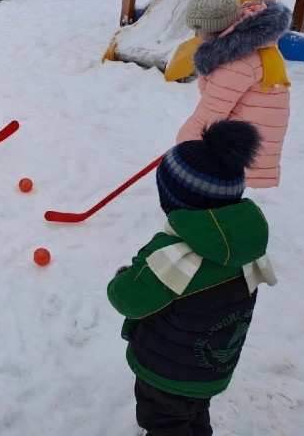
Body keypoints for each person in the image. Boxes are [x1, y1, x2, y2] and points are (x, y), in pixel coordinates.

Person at [107, 119, 277, 436]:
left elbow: (127, 298)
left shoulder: (173, 257)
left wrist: (124, 276)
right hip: (210, 369)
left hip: (167, 373)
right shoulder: (244, 243)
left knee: (165, 424)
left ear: (172, 201)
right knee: (194, 412)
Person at [178, 0, 292, 187]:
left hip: (246, 138)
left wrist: (183, 144)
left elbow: (211, 111)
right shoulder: (251, 44)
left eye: (198, 29)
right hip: (253, 130)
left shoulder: (235, 63)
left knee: (223, 183)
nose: (196, 34)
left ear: (213, 29)